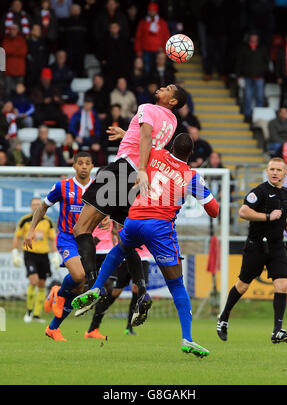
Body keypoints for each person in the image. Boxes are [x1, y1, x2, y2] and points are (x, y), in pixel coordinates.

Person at [72, 132, 219, 356]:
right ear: (190, 154)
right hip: (160, 227)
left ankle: (95, 287)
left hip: (135, 218)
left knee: (119, 249)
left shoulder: (155, 154)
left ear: (170, 147)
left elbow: (142, 145)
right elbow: (214, 210)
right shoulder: (192, 176)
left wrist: (124, 134)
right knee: (177, 284)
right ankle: (187, 338)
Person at [71, 84, 187, 327]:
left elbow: (145, 137)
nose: (162, 88)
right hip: (135, 180)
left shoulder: (146, 107)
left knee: (81, 229)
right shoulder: (172, 121)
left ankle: (93, 288)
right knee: (127, 239)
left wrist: (142, 169)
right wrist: (127, 135)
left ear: (173, 100)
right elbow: (150, 143)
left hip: (123, 171)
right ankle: (143, 290)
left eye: (168, 88)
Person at [23, 152, 104, 341]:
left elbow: (102, 210)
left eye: (87, 163)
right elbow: (43, 206)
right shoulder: (62, 186)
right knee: (78, 276)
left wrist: (105, 219)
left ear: (92, 167)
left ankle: (53, 328)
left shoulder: (97, 188)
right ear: (74, 166)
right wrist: (31, 229)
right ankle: (58, 293)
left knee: (77, 288)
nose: (84, 166)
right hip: (67, 238)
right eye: (80, 163)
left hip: (86, 240)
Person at [217, 157, 287, 344]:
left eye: (278, 170)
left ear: (285, 173)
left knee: (282, 285)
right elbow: (243, 212)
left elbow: (280, 213)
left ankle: (277, 331)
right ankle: (223, 318)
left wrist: (286, 223)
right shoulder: (258, 192)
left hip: (276, 246)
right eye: (272, 169)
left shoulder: (286, 193)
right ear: (267, 171)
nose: (275, 172)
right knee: (243, 285)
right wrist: (268, 217)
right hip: (256, 246)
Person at [85, 222, 150, 339]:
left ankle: (129, 327)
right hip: (125, 257)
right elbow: (118, 229)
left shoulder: (148, 216)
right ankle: (95, 320)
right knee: (114, 292)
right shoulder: (123, 214)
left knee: (137, 289)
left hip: (143, 257)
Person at [12, 197, 60, 323]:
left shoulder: (48, 221)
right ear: (30, 207)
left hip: (44, 255)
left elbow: (52, 238)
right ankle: (28, 311)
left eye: (38, 204)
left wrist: (55, 255)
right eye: (34, 204)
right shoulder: (25, 220)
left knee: (42, 284)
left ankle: (37, 315)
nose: (36, 206)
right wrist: (15, 252)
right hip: (30, 254)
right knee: (33, 281)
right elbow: (17, 237)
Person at [236, 33, 269, 122]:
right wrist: (238, 75)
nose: (254, 38)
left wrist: (263, 72)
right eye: (252, 37)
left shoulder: (262, 48)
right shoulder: (244, 48)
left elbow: (266, 62)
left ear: (257, 38)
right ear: (250, 38)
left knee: (259, 97)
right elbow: (240, 62)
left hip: (259, 77)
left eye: (255, 37)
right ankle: (248, 115)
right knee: (247, 97)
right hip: (248, 77)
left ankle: (258, 116)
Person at [134, 2, 170, 73]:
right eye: (150, 10)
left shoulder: (162, 22)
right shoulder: (143, 22)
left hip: (159, 51)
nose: (151, 12)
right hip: (145, 51)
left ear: (156, 11)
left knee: (158, 70)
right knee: (147, 69)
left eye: (153, 10)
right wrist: (138, 50)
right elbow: (138, 37)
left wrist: (164, 50)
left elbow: (166, 36)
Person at [1, 24, 28, 97]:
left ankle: (18, 108)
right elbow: (4, 51)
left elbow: (24, 52)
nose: (12, 31)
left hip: (19, 71)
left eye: (14, 29)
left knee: (19, 92)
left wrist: (11, 52)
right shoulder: (6, 40)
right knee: (8, 92)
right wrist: (17, 50)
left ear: (18, 31)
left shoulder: (22, 40)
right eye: (11, 29)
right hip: (9, 71)